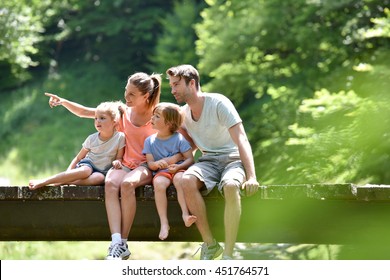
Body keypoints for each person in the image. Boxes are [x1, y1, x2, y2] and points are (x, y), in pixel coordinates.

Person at [45, 72, 181, 260]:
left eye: (132, 94)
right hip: (123, 164)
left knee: (127, 185)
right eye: (126, 92)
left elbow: (181, 136)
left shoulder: (158, 114)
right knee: (110, 183)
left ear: (146, 96)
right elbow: (86, 112)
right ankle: (115, 242)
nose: (127, 97)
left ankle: (123, 243)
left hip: (145, 166)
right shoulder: (122, 111)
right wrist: (63, 101)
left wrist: (179, 162)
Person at [166, 64, 260, 260]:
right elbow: (187, 148)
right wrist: (167, 163)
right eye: (171, 86)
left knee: (231, 185)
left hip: (233, 159)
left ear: (192, 83)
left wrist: (251, 176)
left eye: (176, 85)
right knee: (186, 180)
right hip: (207, 160)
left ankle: (228, 253)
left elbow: (241, 139)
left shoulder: (218, 103)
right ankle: (210, 244)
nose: (173, 90)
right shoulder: (183, 114)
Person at [29, 101, 125, 190]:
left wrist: (117, 162)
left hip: (102, 171)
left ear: (114, 121)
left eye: (102, 118)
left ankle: (68, 182)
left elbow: (119, 158)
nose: (97, 121)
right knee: (86, 171)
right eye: (96, 118)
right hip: (88, 165)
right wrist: (68, 172)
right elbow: (78, 158)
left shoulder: (120, 137)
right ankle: (45, 181)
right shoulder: (91, 139)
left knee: (99, 179)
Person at [143, 102, 197, 240]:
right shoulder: (149, 141)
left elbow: (190, 159)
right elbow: (150, 164)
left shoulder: (178, 138)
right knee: (159, 184)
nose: (152, 119)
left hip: (179, 170)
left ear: (168, 123)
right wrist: (156, 164)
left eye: (157, 116)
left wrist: (179, 167)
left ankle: (185, 214)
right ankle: (164, 223)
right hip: (162, 172)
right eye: (153, 115)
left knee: (180, 180)